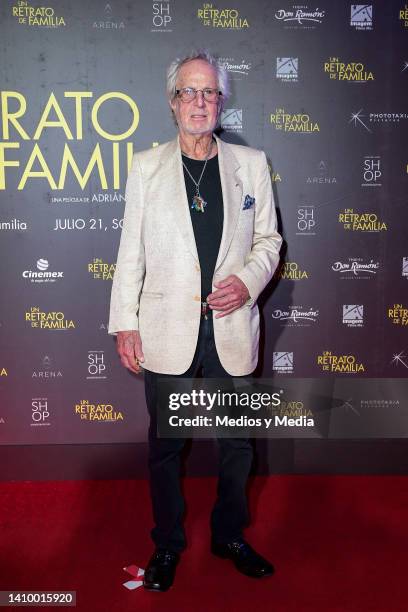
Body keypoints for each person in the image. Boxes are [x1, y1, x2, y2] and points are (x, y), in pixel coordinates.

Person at [108, 50, 282, 592]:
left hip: (230, 330)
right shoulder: (146, 166)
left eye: (209, 92)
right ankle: (167, 543)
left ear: (222, 100)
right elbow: (129, 251)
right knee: (165, 448)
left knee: (237, 444)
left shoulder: (250, 164)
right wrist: (125, 323)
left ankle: (229, 535)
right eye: (189, 91)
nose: (199, 102)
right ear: (172, 101)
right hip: (165, 329)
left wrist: (248, 282)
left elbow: (270, 242)